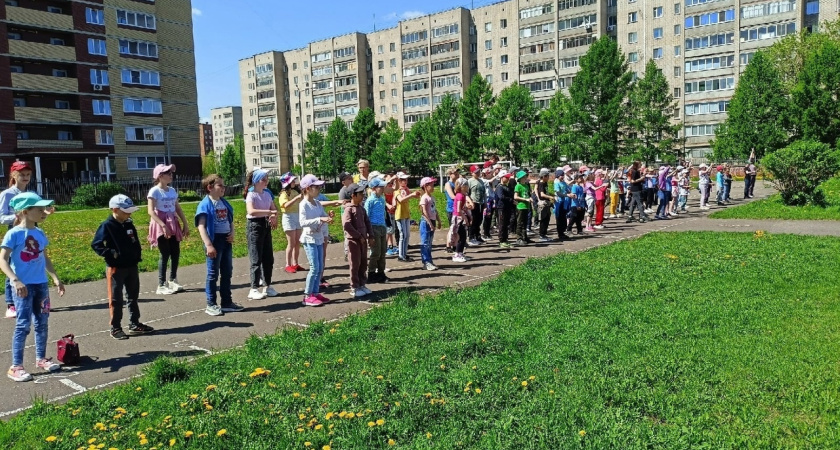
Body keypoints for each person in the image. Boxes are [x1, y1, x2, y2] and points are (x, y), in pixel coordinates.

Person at [1, 193, 64, 382]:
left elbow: (44, 257)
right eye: (39, 209)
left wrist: (55, 278)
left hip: (41, 285)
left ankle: (41, 359)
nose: (44, 212)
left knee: (42, 323)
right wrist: (15, 280)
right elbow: (2, 260)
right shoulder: (14, 234)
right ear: (25, 212)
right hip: (23, 287)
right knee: (23, 325)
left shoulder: (39, 233)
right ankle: (16, 366)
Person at [91, 194, 154, 339]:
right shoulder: (107, 225)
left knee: (133, 297)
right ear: (115, 209)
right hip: (116, 268)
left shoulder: (128, 224)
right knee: (116, 299)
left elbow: (134, 241)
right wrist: (111, 253)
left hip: (132, 266)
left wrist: (136, 255)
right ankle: (115, 327)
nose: (129, 214)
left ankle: (134, 323)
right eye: (126, 211)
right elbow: (96, 244)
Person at [195, 174, 242, 317]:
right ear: (210, 187)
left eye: (223, 185)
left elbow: (230, 220)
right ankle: (211, 304)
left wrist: (232, 232)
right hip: (214, 241)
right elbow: (201, 226)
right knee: (213, 274)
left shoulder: (223, 202)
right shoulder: (205, 204)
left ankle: (226, 302)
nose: (223, 188)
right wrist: (209, 245)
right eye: (220, 185)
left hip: (226, 240)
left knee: (227, 272)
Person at [147, 164, 189, 295]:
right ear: (160, 176)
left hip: (172, 222)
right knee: (165, 253)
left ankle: (172, 280)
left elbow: (177, 208)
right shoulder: (154, 191)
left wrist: (185, 223)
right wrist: (163, 225)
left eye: (171, 173)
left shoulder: (172, 190)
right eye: (168, 173)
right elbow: (150, 211)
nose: (171, 175)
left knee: (175, 252)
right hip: (160, 223)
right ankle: (161, 284)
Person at [0, 161, 35, 319]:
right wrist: (16, 217)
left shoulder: (31, 194)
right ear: (14, 175)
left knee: (30, 264)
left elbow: (35, 214)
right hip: (14, 233)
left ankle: (30, 298)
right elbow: (1, 217)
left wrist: (44, 213)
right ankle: (11, 304)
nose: (25, 177)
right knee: (13, 266)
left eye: (28, 174)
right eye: (22, 174)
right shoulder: (7, 194)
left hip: (30, 233)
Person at [244, 169, 278, 300]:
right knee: (256, 258)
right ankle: (253, 288)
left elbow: (274, 209)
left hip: (265, 225)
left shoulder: (267, 194)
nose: (266, 181)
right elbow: (251, 211)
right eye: (263, 179)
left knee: (268, 258)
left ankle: (267, 286)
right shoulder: (251, 194)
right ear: (256, 181)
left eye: (267, 179)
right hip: (254, 226)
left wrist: (273, 216)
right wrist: (269, 213)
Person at [299, 174, 333, 307]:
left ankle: (315, 292)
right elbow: (302, 222)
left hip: (318, 238)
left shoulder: (317, 203)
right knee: (314, 267)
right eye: (316, 187)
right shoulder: (304, 204)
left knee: (319, 267)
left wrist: (328, 217)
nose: (319, 189)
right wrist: (320, 219)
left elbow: (323, 216)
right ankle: (307, 296)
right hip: (309, 238)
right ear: (308, 189)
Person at [342, 183, 373, 298]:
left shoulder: (361, 209)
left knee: (363, 263)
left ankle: (362, 284)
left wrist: (371, 236)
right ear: (353, 195)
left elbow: (367, 223)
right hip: (353, 241)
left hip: (363, 240)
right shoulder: (348, 209)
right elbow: (347, 225)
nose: (363, 195)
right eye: (360, 193)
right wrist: (358, 236)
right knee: (355, 264)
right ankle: (354, 287)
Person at [278, 173, 305, 273]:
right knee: (291, 242)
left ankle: (295, 263)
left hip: (297, 216)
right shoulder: (283, 194)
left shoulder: (294, 191)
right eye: (292, 181)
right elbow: (285, 205)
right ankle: (287, 264)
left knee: (297, 242)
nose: (294, 182)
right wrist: (296, 198)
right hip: (288, 217)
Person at [364, 177, 389, 283]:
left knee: (383, 251)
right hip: (374, 228)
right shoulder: (370, 200)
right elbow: (366, 216)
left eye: (383, 187)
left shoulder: (382, 199)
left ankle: (381, 272)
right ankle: (371, 273)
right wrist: (369, 233)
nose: (382, 189)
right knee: (375, 252)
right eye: (380, 187)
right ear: (374, 188)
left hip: (382, 227)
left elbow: (384, 213)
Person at [394, 171, 421, 262]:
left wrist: (416, 194)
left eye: (406, 180)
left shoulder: (406, 190)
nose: (405, 181)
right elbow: (401, 200)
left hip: (406, 214)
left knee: (407, 235)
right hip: (400, 215)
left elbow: (413, 196)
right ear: (398, 181)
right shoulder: (397, 191)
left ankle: (405, 254)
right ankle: (401, 255)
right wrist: (411, 195)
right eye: (402, 180)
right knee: (403, 235)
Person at [418, 176, 440, 270]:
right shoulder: (424, 198)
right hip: (426, 222)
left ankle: (430, 261)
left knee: (429, 243)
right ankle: (426, 262)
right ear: (425, 186)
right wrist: (430, 223)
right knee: (425, 243)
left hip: (432, 221)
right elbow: (424, 212)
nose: (433, 186)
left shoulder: (432, 197)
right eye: (431, 185)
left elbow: (434, 210)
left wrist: (438, 220)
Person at [448, 178, 471, 262]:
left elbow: (462, 207)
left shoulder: (463, 195)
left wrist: (467, 210)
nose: (467, 186)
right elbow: (458, 210)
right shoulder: (460, 196)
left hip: (460, 217)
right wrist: (465, 218)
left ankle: (460, 253)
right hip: (458, 218)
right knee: (461, 236)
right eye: (466, 185)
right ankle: (457, 254)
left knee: (463, 236)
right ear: (462, 186)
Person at [467, 165, 487, 245]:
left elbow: (484, 193)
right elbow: (467, 193)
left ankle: (477, 236)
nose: (478, 173)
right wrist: (469, 202)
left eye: (479, 172)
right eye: (476, 172)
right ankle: (471, 237)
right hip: (473, 202)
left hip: (480, 202)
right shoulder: (470, 181)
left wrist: (485, 202)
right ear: (472, 173)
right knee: (473, 220)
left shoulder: (481, 181)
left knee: (479, 220)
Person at [495, 170, 515, 249]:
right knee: (502, 224)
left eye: (508, 177)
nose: (508, 178)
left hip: (507, 207)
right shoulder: (499, 187)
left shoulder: (506, 187)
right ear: (501, 177)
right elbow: (501, 197)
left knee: (506, 224)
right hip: (501, 208)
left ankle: (505, 239)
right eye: (506, 177)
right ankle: (501, 241)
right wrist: (511, 200)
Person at [513, 171, 533, 246]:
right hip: (520, 206)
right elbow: (515, 197)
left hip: (526, 206)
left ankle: (525, 237)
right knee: (520, 223)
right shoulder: (518, 186)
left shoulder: (526, 186)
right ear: (520, 178)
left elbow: (527, 195)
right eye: (524, 177)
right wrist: (525, 199)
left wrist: (530, 198)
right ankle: (519, 238)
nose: (525, 178)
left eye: (525, 176)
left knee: (525, 222)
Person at [553, 167, 572, 241]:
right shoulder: (557, 183)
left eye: (563, 175)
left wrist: (571, 193)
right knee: (559, 218)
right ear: (558, 176)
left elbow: (567, 190)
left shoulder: (564, 183)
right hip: (559, 202)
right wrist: (567, 195)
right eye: (561, 175)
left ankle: (563, 232)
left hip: (564, 202)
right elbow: (558, 193)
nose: (562, 177)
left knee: (564, 217)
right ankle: (560, 233)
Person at [443, 167, 459, 253]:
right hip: (451, 208)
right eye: (454, 173)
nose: (456, 175)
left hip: (457, 208)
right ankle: (448, 245)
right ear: (450, 174)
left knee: (456, 228)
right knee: (451, 228)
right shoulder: (448, 184)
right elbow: (452, 196)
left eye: (457, 173)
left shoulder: (456, 183)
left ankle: (455, 245)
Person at [535, 168, 554, 242]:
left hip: (547, 203)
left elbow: (546, 192)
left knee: (547, 219)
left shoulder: (545, 183)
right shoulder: (541, 183)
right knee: (543, 219)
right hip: (543, 203)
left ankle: (544, 234)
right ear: (543, 176)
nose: (548, 177)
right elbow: (542, 194)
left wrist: (552, 194)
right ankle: (541, 235)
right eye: (547, 176)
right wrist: (550, 197)